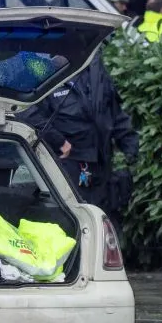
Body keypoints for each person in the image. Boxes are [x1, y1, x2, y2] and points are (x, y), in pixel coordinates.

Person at [24, 53, 139, 228]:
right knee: (72, 223)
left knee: (102, 225)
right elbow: (26, 111)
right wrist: (58, 141)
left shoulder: (93, 66)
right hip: (65, 165)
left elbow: (113, 112)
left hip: (100, 165)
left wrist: (131, 150)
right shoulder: (41, 65)